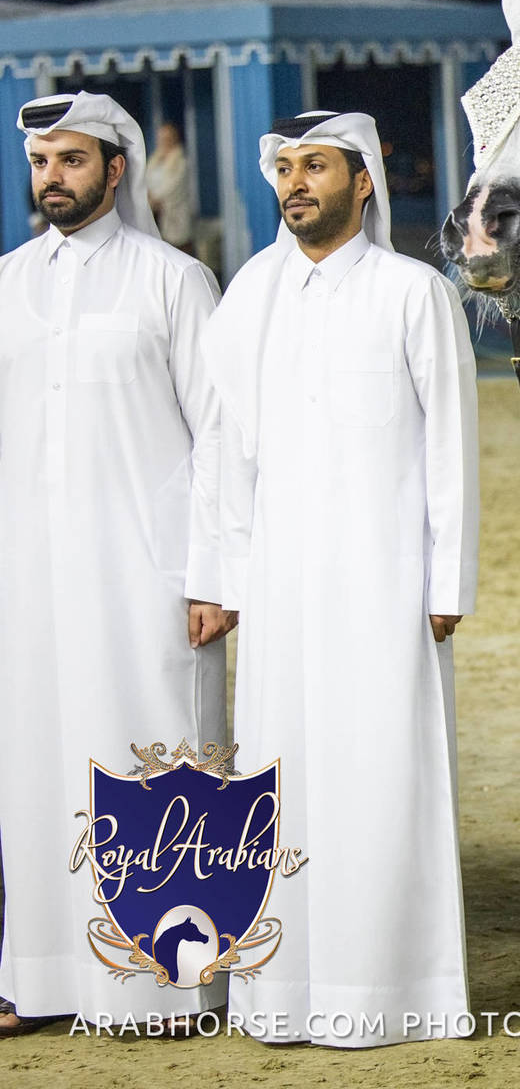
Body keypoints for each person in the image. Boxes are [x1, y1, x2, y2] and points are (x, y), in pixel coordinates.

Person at [202, 110, 479, 1047]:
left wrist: (448, 583)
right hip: (280, 589)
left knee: (382, 778)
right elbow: (224, 453)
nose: (295, 185)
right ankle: (280, 996)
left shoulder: (414, 293)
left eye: (315, 167)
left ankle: (397, 992)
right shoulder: (248, 296)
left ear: (364, 181)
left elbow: (451, 447)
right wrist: (223, 579)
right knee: (280, 783)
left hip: (387, 584)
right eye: (284, 169)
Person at [0, 92, 229, 1035]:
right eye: (43, 161)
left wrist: (214, 571)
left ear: (116, 168)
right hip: (31, 576)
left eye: (73, 161)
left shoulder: (174, 282)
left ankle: (165, 980)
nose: (54, 177)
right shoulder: (8, 279)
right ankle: (43, 976)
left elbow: (222, 436)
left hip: (151, 577)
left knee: (150, 763)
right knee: (37, 765)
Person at [145, 121, 194, 256]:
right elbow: (146, 181)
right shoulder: (154, 160)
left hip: (173, 214)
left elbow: (174, 187)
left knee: (178, 252)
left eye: (167, 138)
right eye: (161, 138)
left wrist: (156, 199)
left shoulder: (181, 161)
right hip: (155, 213)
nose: (163, 141)